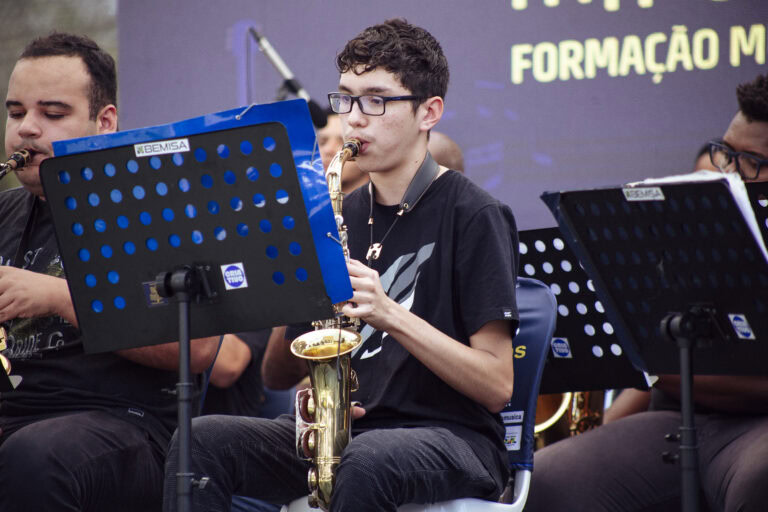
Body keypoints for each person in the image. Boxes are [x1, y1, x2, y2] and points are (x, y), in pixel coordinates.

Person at [163, 18, 519, 512]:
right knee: (199, 440)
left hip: (454, 438)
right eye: (346, 99)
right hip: (346, 435)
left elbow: (498, 385)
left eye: (376, 100)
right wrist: (295, 292)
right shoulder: (335, 215)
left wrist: (388, 313)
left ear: (428, 112)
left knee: (368, 459)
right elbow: (275, 375)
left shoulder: (474, 214)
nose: (353, 119)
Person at [525, 73, 768, 512]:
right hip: (676, 421)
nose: (727, 171)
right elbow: (661, 362)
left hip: (757, 434)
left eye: (750, 161)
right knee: (548, 481)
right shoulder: (696, 224)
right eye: (725, 153)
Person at [0, 33, 218, 511]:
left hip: (124, 425)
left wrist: (58, 297)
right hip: (15, 416)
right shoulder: (6, 210)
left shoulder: (155, 206)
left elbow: (198, 347)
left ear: (105, 122)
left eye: (52, 114)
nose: (26, 130)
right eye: (16, 113)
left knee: (35, 458)